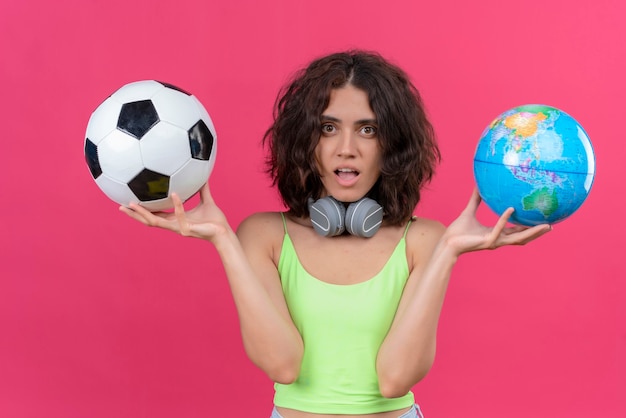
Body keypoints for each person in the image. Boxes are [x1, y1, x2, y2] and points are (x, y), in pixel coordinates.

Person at [120, 50, 551, 418]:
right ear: (305, 141)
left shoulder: (425, 241)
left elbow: (395, 379)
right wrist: (223, 241)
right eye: (328, 128)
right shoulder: (263, 235)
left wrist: (449, 251)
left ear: (392, 144)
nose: (347, 147)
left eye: (368, 129)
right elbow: (283, 366)